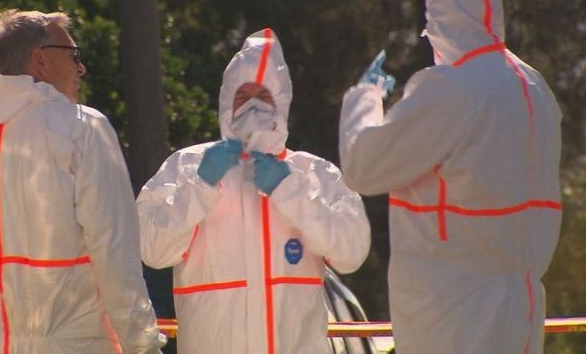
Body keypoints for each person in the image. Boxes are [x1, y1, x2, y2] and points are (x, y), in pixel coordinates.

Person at [338, 0, 562, 353]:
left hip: (453, 309)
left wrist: (363, 100)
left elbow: (363, 167)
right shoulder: (533, 86)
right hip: (520, 302)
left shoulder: (453, 88)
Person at [137, 28, 371, 354]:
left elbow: (352, 252)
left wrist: (289, 189)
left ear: (282, 103)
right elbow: (152, 249)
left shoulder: (315, 174)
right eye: (242, 98)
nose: (252, 109)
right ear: (225, 103)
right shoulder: (186, 166)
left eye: (263, 97)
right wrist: (200, 187)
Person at [0, 10, 165, 353]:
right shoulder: (81, 127)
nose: (80, 68)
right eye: (74, 55)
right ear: (40, 60)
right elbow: (114, 250)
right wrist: (142, 345)